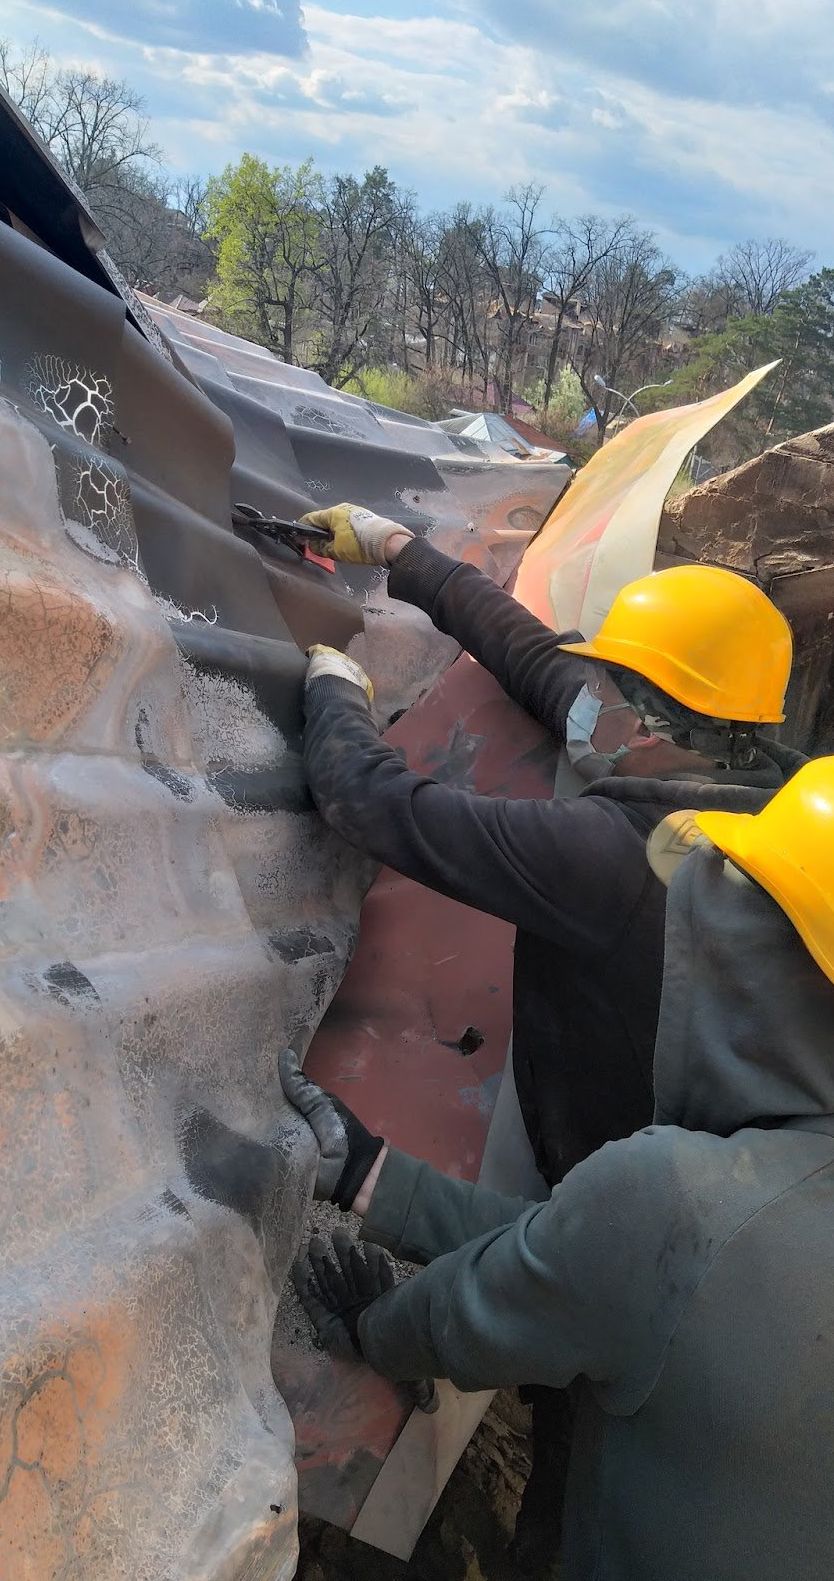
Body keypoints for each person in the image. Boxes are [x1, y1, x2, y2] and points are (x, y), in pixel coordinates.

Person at [283, 750, 834, 1581]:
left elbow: (477, 1315)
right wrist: (370, 1174)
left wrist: (371, 1326)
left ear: (757, 966)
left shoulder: (680, 1200)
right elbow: (593, 1263)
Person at [297, 501, 803, 1187]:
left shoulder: (619, 857)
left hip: (627, 1191)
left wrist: (335, 694)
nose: (583, 695)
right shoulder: (767, 788)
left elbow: (374, 802)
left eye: (602, 683)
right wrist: (398, 549)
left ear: (648, 724)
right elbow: (538, 662)